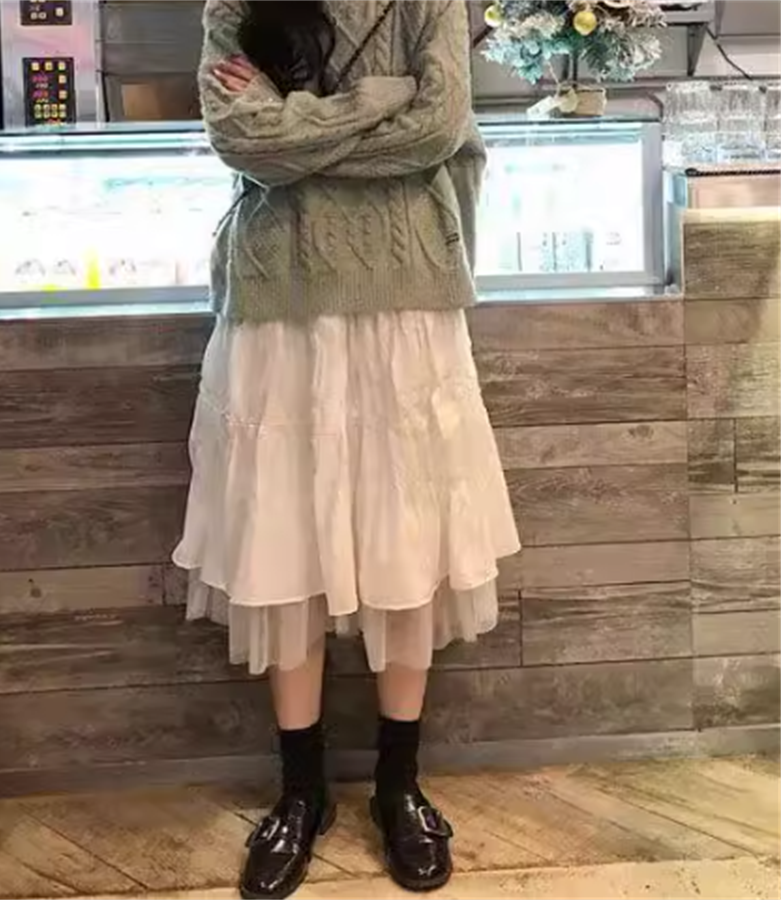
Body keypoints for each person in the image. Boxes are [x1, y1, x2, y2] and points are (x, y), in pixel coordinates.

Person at [173, 1, 520, 897]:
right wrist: (376, 99)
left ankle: (400, 786)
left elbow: (439, 127)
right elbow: (243, 141)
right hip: (278, 297)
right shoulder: (236, 3)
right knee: (283, 544)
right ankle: (302, 793)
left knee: (410, 538)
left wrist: (299, 128)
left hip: (407, 296)